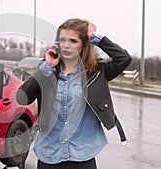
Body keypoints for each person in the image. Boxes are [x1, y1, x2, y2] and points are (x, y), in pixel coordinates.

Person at [16, 18, 132, 169]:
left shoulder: (96, 72)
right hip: (49, 154)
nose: (66, 45)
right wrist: (47, 67)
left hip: (82, 154)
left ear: (84, 44)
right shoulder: (47, 70)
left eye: (73, 41)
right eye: (62, 40)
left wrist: (94, 37)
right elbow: (22, 97)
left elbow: (124, 59)